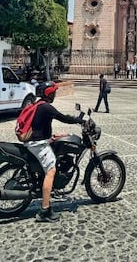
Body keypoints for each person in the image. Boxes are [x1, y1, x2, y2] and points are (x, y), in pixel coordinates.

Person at [25, 81, 84, 223]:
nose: (55, 94)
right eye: (54, 92)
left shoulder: (38, 104)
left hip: (38, 140)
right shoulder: (46, 107)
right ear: (49, 94)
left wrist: (51, 137)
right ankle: (44, 210)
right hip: (37, 143)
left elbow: (40, 126)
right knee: (51, 171)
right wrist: (79, 120)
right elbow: (63, 118)